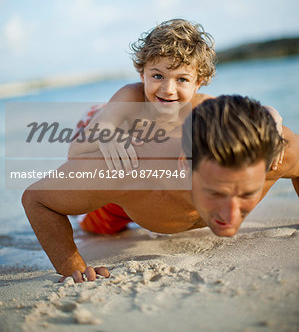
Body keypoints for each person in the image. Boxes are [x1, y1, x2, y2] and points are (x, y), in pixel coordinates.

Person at [22, 95, 299, 283]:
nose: (231, 213)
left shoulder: (275, 154)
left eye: (246, 194)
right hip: (123, 174)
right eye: (217, 192)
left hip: (187, 120)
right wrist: (74, 269)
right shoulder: (130, 168)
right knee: (97, 228)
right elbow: (37, 199)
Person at [68, 19, 283, 235]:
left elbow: (250, 111)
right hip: (101, 120)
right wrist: (105, 136)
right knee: (97, 227)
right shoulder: (131, 96)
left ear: (198, 82)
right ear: (142, 74)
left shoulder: (203, 106)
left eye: (182, 79)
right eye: (157, 76)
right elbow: (75, 151)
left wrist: (274, 117)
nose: (168, 89)